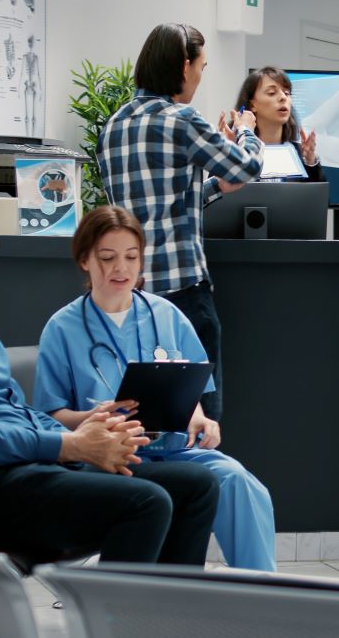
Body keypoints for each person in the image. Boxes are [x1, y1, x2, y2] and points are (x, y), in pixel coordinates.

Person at [0, 200, 220, 565]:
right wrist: (71, 445)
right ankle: (113, 621)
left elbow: (19, 414)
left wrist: (90, 428)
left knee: (196, 486)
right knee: (147, 501)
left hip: (29, 472)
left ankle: (170, 616)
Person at [32, 206, 277, 571]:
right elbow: (50, 415)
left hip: (175, 449)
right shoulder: (63, 328)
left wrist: (201, 419)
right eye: (108, 257)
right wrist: (93, 417)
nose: (122, 269)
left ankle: (264, 597)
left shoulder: (167, 315)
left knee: (241, 484)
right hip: (110, 455)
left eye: (131, 257)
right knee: (178, 489)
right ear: (84, 260)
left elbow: (190, 388)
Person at [99, 23, 264, 423]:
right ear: (184, 66)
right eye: (202, 68)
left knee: (145, 419)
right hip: (183, 293)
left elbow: (156, 202)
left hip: (131, 292)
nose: (200, 78)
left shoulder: (114, 126)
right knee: (201, 420)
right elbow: (248, 167)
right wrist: (246, 133)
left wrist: (213, 189)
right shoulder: (181, 119)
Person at [235, 66, 323, 182]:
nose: (283, 97)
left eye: (287, 93)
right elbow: (215, 195)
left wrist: (310, 161)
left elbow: (319, 197)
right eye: (272, 93)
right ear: (252, 105)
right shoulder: (237, 150)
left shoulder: (298, 153)